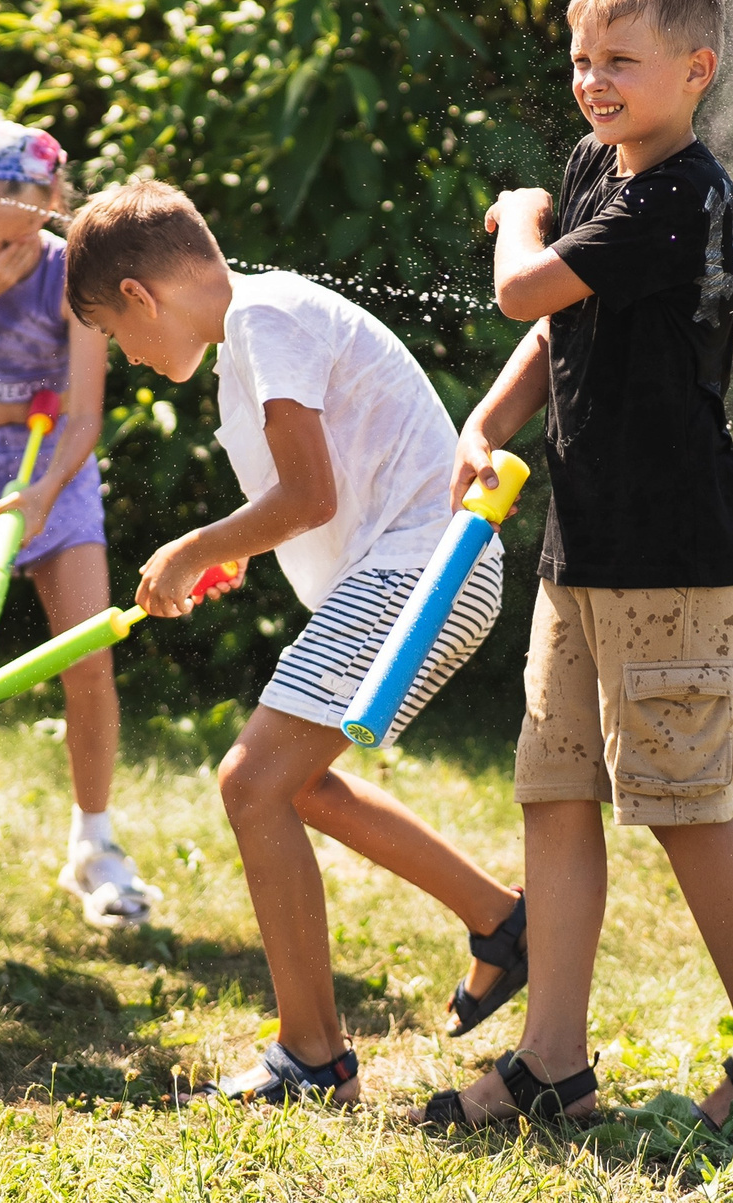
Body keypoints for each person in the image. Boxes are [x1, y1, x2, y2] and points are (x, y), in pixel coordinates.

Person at [432, 0, 733, 1131]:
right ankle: (549, 1064)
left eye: (620, 61)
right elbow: (558, 312)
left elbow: (524, 284)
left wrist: (516, 217)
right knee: (554, 792)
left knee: (680, 807)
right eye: (578, 59)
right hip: (585, 541)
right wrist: (490, 416)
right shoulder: (600, 166)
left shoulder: (680, 195)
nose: (592, 82)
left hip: (675, 554)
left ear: (695, 71)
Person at [65, 180, 527, 1106]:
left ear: (141, 297)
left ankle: (314, 1057)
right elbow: (312, 499)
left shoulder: (265, 318)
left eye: (115, 335)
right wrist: (229, 552)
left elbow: (308, 496)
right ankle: (506, 926)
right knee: (294, 784)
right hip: (412, 569)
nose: (128, 355)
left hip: (421, 569)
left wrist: (195, 545)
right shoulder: (252, 338)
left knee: (253, 782)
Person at [0, 121, 152, 940]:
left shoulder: (68, 265)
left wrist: (45, 493)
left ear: (48, 205)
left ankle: (95, 843)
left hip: (54, 470)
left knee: (88, 657)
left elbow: (85, 411)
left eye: (4, 236)